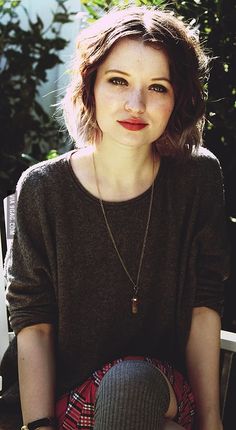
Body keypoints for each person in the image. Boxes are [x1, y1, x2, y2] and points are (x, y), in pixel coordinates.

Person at [3, 5, 230, 430]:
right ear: (90, 87)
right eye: (118, 81)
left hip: (160, 388)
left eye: (158, 87)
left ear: (178, 98)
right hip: (66, 403)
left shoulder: (197, 177)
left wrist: (212, 423)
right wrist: (39, 427)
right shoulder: (43, 188)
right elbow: (34, 324)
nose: (136, 104)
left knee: (129, 383)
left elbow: (204, 306)